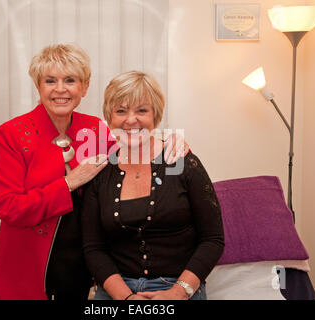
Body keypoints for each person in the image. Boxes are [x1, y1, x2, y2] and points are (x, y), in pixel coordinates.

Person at [0, 44, 188, 300]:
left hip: (81, 259)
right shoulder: (14, 133)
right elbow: (7, 206)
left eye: (70, 80)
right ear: (38, 87)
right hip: (30, 260)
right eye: (50, 80)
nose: (60, 89)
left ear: (84, 87)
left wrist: (173, 144)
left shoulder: (94, 128)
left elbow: (133, 155)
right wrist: (68, 183)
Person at [81, 71, 225, 300]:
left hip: (178, 287)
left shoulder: (184, 163)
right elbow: (93, 247)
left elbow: (213, 239)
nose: (130, 120)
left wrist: (178, 293)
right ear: (109, 117)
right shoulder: (99, 173)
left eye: (141, 110)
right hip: (117, 291)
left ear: (155, 115)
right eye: (121, 111)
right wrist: (126, 298)